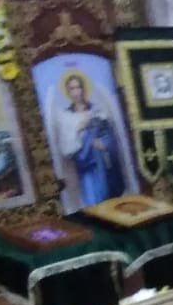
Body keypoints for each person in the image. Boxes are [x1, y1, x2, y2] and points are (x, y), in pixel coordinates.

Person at [52, 71, 126, 210]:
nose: (76, 92)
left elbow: (110, 137)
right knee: (92, 201)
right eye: (72, 88)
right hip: (85, 166)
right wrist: (78, 130)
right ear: (68, 92)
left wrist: (103, 144)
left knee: (107, 198)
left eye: (78, 87)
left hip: (102, 164)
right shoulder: (66, 116)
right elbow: (66, 148)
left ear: (83, 88)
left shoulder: (97, 111)